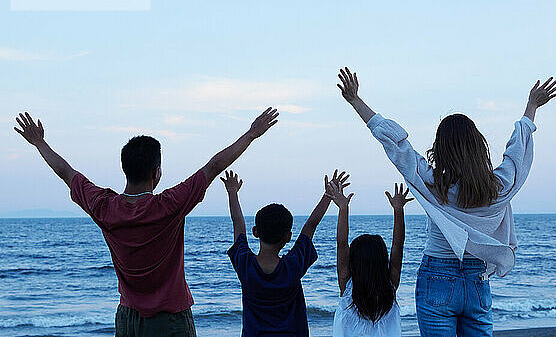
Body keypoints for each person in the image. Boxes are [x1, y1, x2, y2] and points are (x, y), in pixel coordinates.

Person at [13, 108, 279, 337]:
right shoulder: (169, 205)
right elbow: (213, 167)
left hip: (128, 319)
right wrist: (251, 134)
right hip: (171, 320)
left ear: (124, 169)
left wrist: (39, 143)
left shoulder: (104, 207)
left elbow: (66, 173)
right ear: (156, 173)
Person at [336, 67, 556, 337]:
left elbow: (397, 146)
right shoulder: (498, 188)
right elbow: (518, 154)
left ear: (439, 149)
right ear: (479, 146)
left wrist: (355, 101)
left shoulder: (434, 186)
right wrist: (531, 108)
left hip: (437, 278)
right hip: (477, 280)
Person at [222, 169, 350, 337]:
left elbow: (237, 222)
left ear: (255, 232)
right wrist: (328, 195)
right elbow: (311, 225)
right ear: (288, 236)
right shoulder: (293, 265)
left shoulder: (245, 264)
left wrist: (232, 193)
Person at [327, 180, 413, 337]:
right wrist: (398, 210)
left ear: (353, 261)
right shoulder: (390, 285)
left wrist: (343, 208)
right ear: (382, 261)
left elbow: (341, 244)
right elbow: (398, 245)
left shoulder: (347, 286)